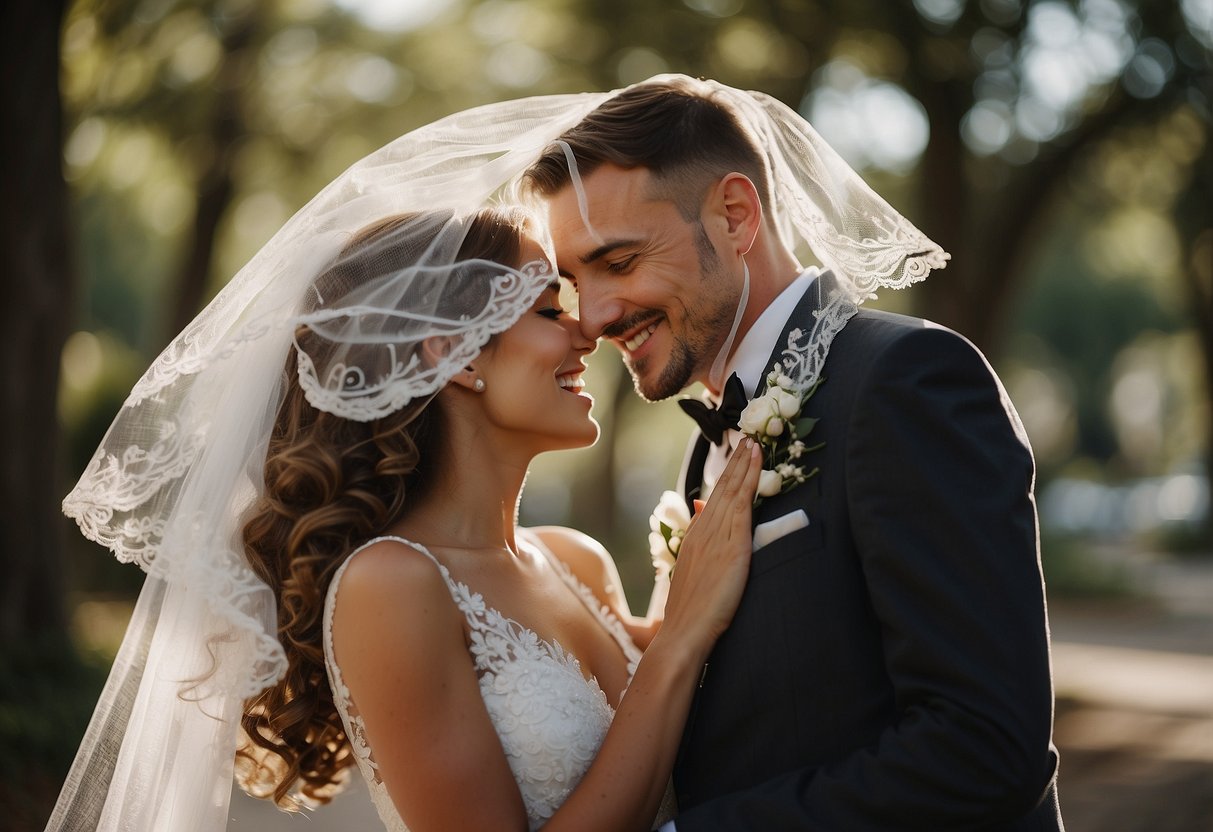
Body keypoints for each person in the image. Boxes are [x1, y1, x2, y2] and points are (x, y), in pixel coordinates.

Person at [46, 113, 762, 830]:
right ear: (453, 352)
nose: (589, 331)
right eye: (547, 308)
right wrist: (676, 643)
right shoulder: (390, 586)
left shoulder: (578, 560)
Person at [524, 74, 1064, 830]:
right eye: (573, 280)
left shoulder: (901, 381)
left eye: (617, 263)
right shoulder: (709, 437)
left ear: (735, 215)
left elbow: (982, 746)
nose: (595, 316)